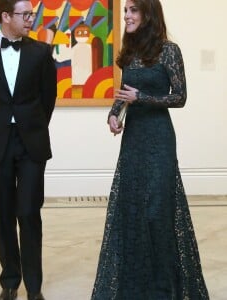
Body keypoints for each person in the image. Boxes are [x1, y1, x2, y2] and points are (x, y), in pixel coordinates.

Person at [91, 0, 209, 299]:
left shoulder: (168, 50)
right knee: (132, 208)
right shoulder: (129, 53)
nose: (126, 15)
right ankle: (136, 286)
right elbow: (123, 94)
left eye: (132, 10)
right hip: (134, 140)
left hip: (159, 138)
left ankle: (163, 287)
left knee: (157, 211)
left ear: (148, 13)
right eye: (125, 10)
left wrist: (141, 96)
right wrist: (113, 115)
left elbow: (179, 97)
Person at [0, 0, 57, 299]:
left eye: (31, 13)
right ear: (5, 16)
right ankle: (9, 281)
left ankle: (34, 286)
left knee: (29, 212)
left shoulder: (41, 53)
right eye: (25, 14)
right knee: (2, 214)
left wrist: (29, 125)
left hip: (32, 142)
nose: (31, 18)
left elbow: (48, 99)